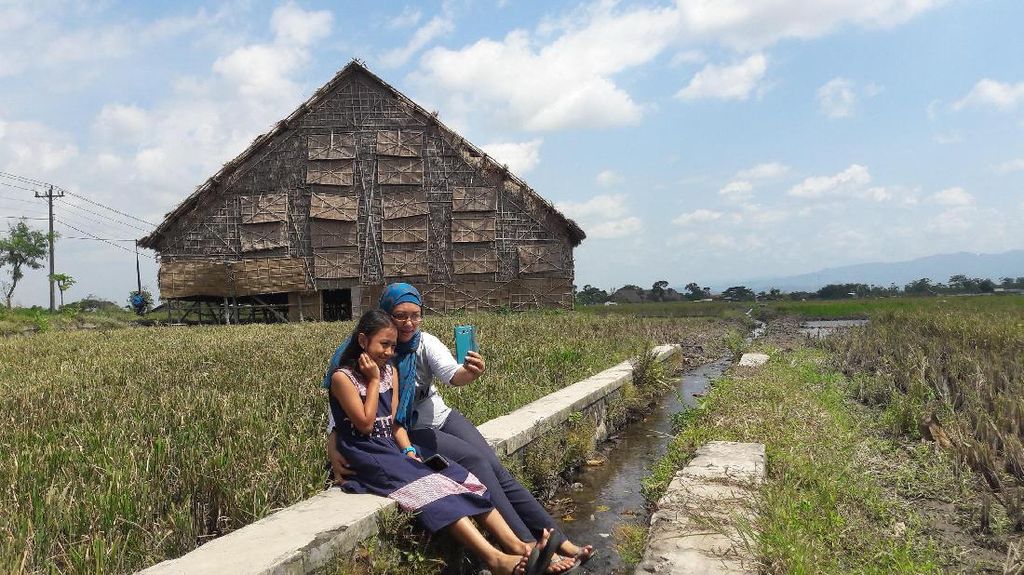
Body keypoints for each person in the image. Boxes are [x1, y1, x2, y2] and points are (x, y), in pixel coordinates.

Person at [324, 283, 594, 568]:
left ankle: (557, 539)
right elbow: (342, 409)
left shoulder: (420, 344)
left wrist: (469, 372)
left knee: (494, 466)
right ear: (384, 317)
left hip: (434, 417)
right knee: (476, 464)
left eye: (415, 315)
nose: (408, 323)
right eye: (400, 316)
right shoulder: (356, 361)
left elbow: (452, 374)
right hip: (409, 431)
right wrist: (334, 443)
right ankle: (526, 546)